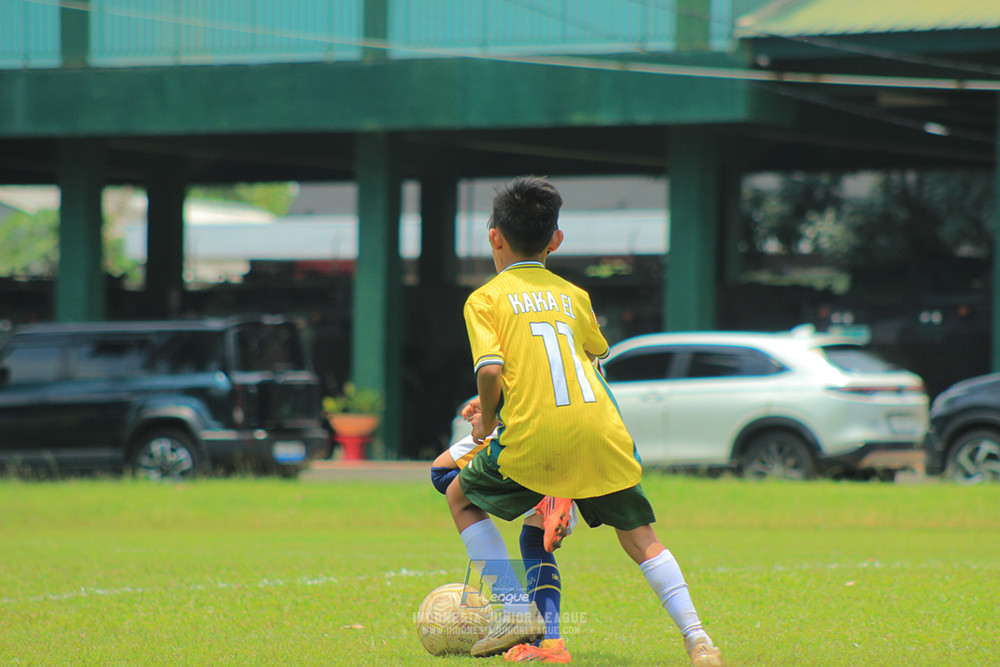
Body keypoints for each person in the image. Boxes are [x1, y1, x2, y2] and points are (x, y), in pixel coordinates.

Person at [445, 175, 724, 666]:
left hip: (532, 437)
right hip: (602, 432)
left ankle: (515, 610)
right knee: (642, 540)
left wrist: (485, 420)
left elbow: (490, 369)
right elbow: (591, 357)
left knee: (457, 493)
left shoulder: (485, 299)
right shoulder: (574, 295)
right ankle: (699, 640)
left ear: (494, 236)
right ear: (556, 240)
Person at [431, 398, 574, 663]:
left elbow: (495, 370)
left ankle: (516, 611)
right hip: (579, 427)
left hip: (527, 421)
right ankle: (550, 641)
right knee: (534, 538)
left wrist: (490, 408)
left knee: (443, 476)